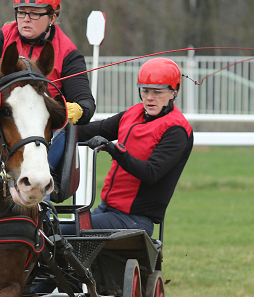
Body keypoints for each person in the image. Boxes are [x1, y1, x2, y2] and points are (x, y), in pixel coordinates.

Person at [0, 0, 95, 173]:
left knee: (35, 169)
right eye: (21, 12)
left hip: (44, 129)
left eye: (34, 14)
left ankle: (40, 199)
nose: (26, 19)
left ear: (52, 17)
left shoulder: (69, 55)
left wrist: (70, 109)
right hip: (1, 122)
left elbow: (86, 104)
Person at [76, 58, 193, 236]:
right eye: (145, 91)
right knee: (54, 230)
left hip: (134, 219)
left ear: (173, 92)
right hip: (106, 209)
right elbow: (92, 131)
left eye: (157, 92)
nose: (149, 98)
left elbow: (151, 173)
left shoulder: (176, 130)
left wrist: (115, 151)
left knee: (65, 230)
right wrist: (54, 126)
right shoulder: (133, 113)